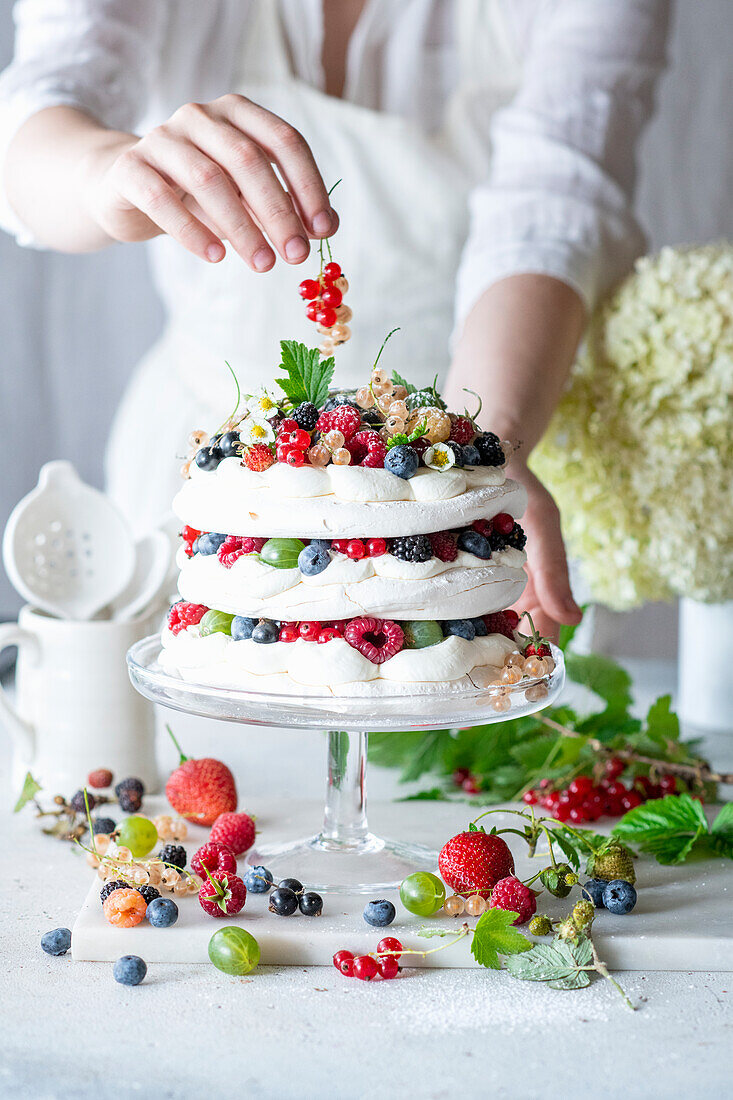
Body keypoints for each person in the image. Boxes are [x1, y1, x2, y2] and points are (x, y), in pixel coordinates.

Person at [0, 0, 670, 640]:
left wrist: (480, 455)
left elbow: (552, 205)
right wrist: (105, 176)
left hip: (465, 437)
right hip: (217, 466)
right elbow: (39, 108)